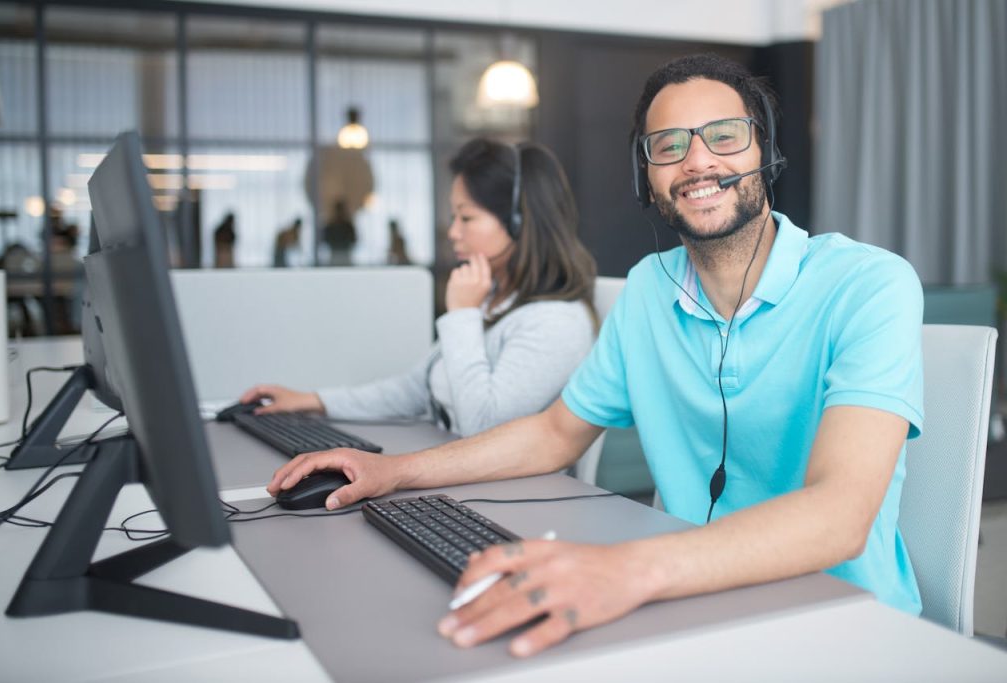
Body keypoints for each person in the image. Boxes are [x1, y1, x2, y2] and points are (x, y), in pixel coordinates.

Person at [266, 53, 926, 658]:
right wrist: (392, 473)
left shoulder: (869, 284)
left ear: (766, 152)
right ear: (649, 176)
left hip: (844, 626)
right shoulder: (647, 290)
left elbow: (841, 514)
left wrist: (623, 568)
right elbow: (555, 433)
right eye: (669, 146)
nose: (697, 162)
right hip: (691, 604)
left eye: (724, 135)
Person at [241, 138, 598, 438]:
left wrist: (462, 315)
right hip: (456, 475)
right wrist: (313, 401)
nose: (453, 231)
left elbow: (486, 427)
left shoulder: (555, 322)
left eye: (467, 217)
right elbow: (415, 389)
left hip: (511, 500)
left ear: (520, 222)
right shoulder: (496, 301)